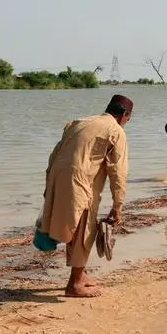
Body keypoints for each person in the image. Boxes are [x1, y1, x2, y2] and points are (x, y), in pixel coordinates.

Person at [39, 94, 133, 297]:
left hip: (57, 175)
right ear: (124, 115)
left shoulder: (78, 122)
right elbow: (118, 172)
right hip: (80, 181)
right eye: (128, 118)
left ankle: (80, 276)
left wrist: (49, 185)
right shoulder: (116, 130)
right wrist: (118, 206)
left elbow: (55, 154)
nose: (127, 122)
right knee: (84, 228)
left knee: (73, 227)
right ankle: (74, 285)